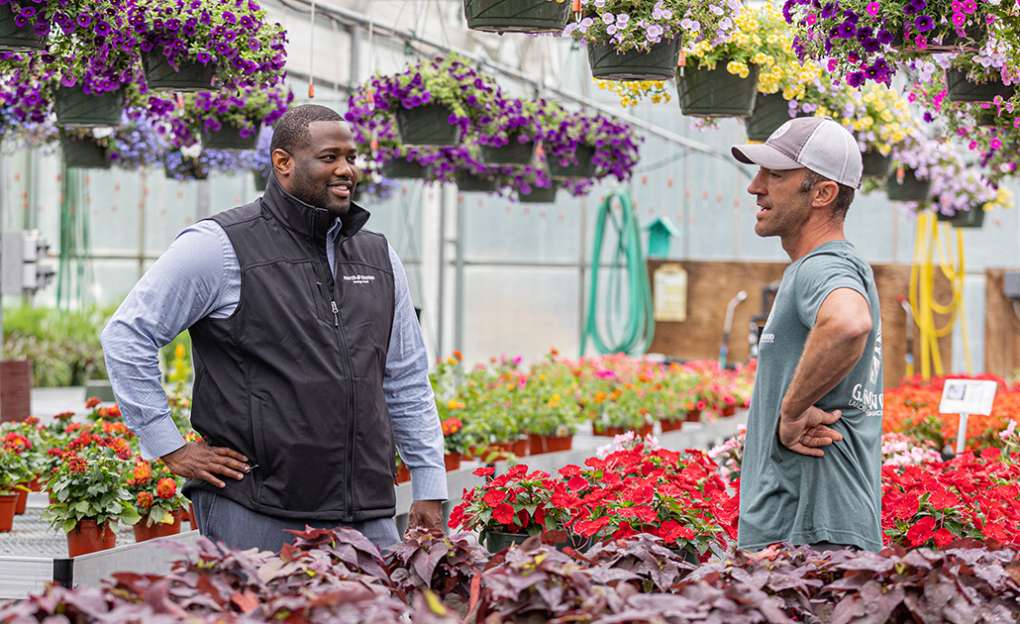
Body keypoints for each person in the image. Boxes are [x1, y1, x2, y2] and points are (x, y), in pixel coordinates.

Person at [101, 104, 447, 553]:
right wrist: (169, 446)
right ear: (283, 162)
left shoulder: (378, 257)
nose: (346, 170)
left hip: (366, 509)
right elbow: (128, 334)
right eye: (329, 157)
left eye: (351, 157)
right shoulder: (222, 245)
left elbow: (405, 377)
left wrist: (428, 481)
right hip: (256, 506)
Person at [730, 117, 883, 552]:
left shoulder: (822, 265)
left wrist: (793, 411)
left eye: (775, 175)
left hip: (809, 536)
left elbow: (849, 322)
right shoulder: (823, 266)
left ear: (822, 193)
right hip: (814, 532)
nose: (754, 186)